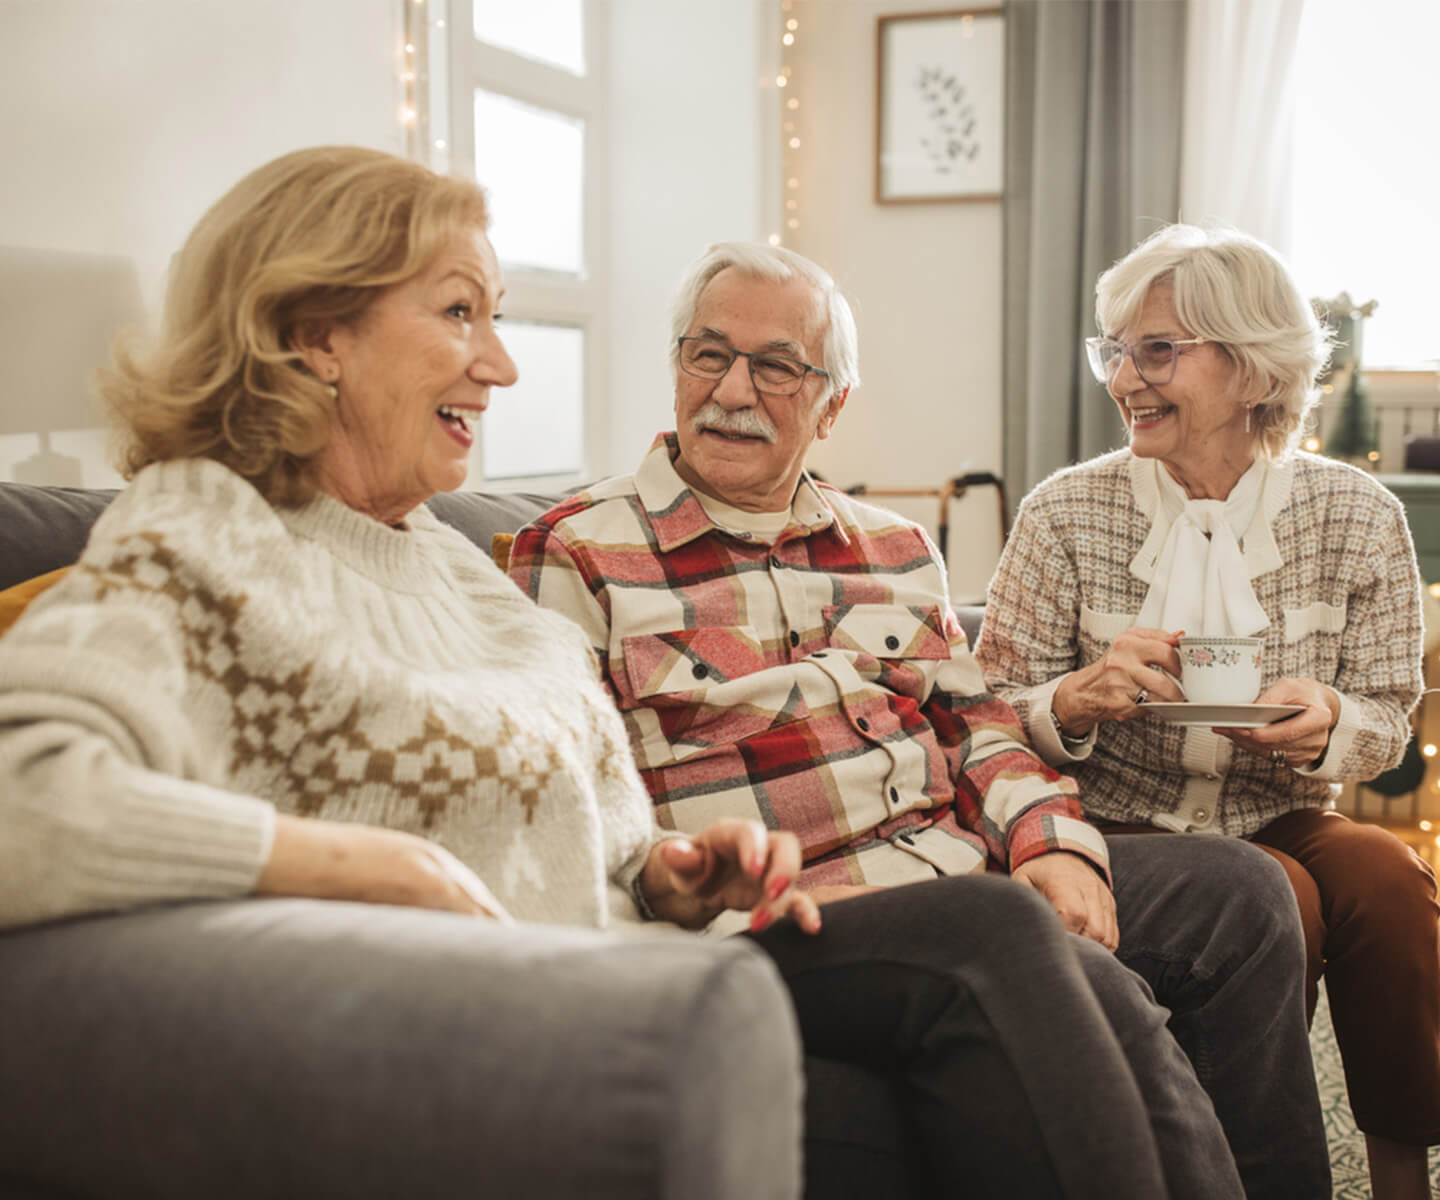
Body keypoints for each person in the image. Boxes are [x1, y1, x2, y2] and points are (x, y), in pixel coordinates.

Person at [0, 147, 1231, 1200]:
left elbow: (609, 834)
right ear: (316, 334)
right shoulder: (202, 534)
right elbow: (22, 800)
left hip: (656, 961)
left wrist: (670, 871)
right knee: (990, 939)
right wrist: (372, 865)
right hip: (511, 1012)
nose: (502, 369)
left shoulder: (454, 570)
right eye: (459, 315)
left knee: (1067, 967)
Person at [506, 240, 1329, 1198]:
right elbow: (568, 798)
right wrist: (667, 884)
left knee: (1243, 893)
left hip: (954, 872)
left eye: (776, 366)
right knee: (1051, 957)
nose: (732, 388)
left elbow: (977, 724)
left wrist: (1050, 842)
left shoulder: (893, 549)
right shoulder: (576, 552)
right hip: (784, 919)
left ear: (831, 405)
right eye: (707, 353)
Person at [974, 221, 1438, 1200]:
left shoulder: (1359, 516)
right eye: (1116, 349)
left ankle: (1401, 1173)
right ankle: (1226, 1158)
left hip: (1283, 807)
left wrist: (1333, 721)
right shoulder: (1065, 512)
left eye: (1158, 350)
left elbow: (1394, 715)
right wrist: (1074, 698)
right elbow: (982, 709)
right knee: (1278, 897)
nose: (1124, 377)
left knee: (1392, 879)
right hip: (1118, 817)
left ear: (1255, 371)